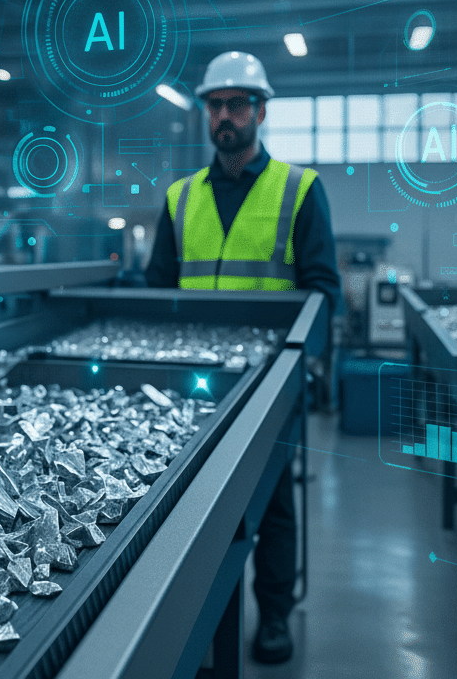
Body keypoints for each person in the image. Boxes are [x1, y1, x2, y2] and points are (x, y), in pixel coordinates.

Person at [145, 51, 341, 665]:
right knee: (188, 502)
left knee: (273, 502)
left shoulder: (300, 190)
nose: (224, 116)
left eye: (236, 104)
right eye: (215, 106)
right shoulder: (181, 198)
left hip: (270, 383)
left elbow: (323, 289)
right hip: (194, 383)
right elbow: (157, 293)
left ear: (260, 110)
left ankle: (274, 613)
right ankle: (189, 613)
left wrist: (301, 369)